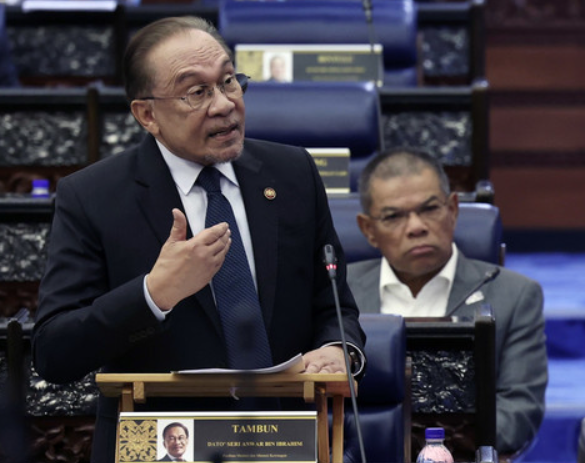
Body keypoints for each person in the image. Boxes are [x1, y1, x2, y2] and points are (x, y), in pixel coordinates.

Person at [31, 16, 365, 463]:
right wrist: (154, 294)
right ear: (147, 114)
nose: (224, 104)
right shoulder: (93, 197)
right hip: (162, 446)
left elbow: (334, 305)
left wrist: (338, 349)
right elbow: (54, 353)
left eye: (229, 81)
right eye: (196, 92)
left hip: (285, 442)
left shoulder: (293, 174)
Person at [347, 147, 548, 455]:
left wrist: (433, 450)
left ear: (453, 209)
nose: (416, 227)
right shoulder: (338, 292)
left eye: (429, 209)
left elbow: (518, 415)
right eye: (394, 216)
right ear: (368, 230)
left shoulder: (515, 296)